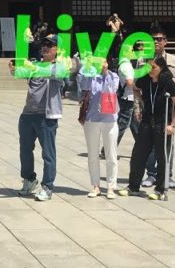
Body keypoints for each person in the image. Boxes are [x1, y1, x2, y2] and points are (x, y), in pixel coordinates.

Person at [12, 34, 69, 201]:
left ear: (58, 50)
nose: (45, 47)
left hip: (47, 116)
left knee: (48, 153)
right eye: (43, 44)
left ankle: (48, 186)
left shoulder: (59, 67)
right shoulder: (35, 65)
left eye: (49, 45)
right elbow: (17, 70)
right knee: (25, 150)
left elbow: (52, 72)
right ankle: (29, 179)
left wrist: (32, 67)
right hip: (28, 114)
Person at [125, 56, 175, 201]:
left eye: (153, 67)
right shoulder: (145, 80)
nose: (150, 70)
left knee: (162, 156)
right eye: (149, 67)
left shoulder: (167, 83)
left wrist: (173, 124)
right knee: (138, 154)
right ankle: (133, 186)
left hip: (162, 123)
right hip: (146, 121)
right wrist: (140, 103)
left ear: (161, 68)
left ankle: (161, 189)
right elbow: (135, 88)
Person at [78, 56, 121, 199]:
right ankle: (95, 185)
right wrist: (87, 68)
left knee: (111, 154)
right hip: (92, 118)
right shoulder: (90, 76)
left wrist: (105, 72)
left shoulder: (113, 76)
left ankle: (111, 186)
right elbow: (83, 86)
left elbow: (111, 90)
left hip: (109, 119)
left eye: (103, 61)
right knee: (92, 154)